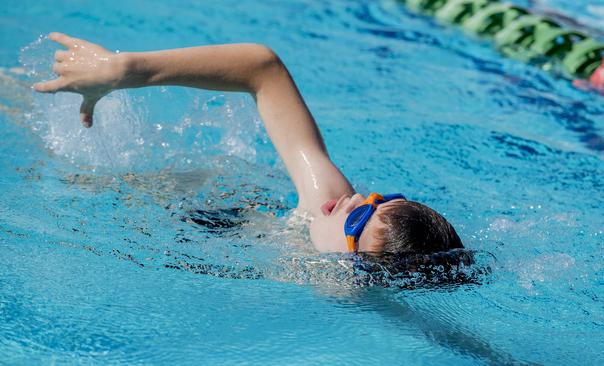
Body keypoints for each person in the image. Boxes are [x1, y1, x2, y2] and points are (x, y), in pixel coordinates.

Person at [34, 32, 464, 255]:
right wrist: (126, 69)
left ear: (353, 271)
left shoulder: (341, 292)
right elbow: (264, 69)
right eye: (374, 199)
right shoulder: (329, 203)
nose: (354, 204)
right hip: (207, 199)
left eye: (358, 224)